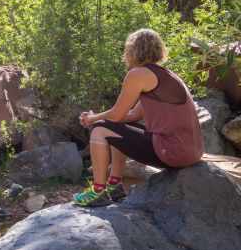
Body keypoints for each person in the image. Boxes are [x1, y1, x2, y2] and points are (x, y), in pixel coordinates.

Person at [73, 28, 204, 207]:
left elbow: (117, 113)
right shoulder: (164, 74)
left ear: (132, 50)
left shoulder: (138, 74)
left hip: (172, 151)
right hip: (190, 152)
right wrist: (98, 117)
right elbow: (133, 115)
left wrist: (92, 119)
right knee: (114, 125)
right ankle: (114, 185)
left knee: (100, 129)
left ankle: (98, 191)